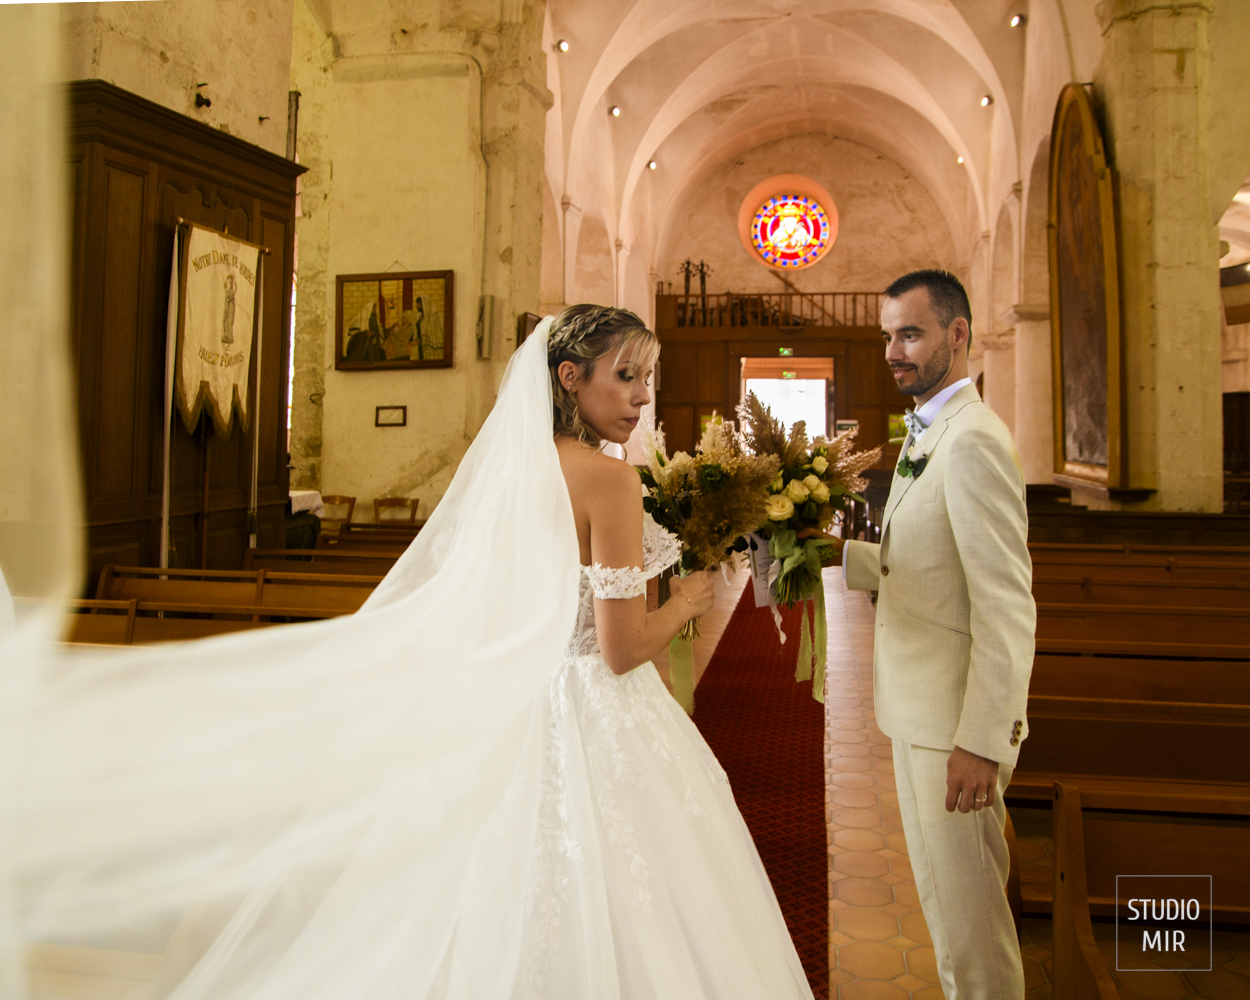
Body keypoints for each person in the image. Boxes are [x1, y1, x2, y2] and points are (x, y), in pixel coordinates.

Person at [0, 306, 814, 1000]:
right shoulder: (608, 481)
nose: (641, 397)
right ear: (569, 377)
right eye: (625, 376)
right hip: (595, 715)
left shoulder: (511, 470)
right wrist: (686, 602)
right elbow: (620, 648)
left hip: (513, 707)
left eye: (648, 379)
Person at [841, 270, 1034, 999]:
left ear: (958, 334)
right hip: (921, 712)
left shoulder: (973, 439)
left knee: (972, 928)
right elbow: (929, 560)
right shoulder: (930, 428)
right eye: (888, 335)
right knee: (946, 913)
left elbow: (1005, 605)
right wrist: (841, 555)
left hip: (955, 726)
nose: (894, 351)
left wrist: (983, 740)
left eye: (911, 334)